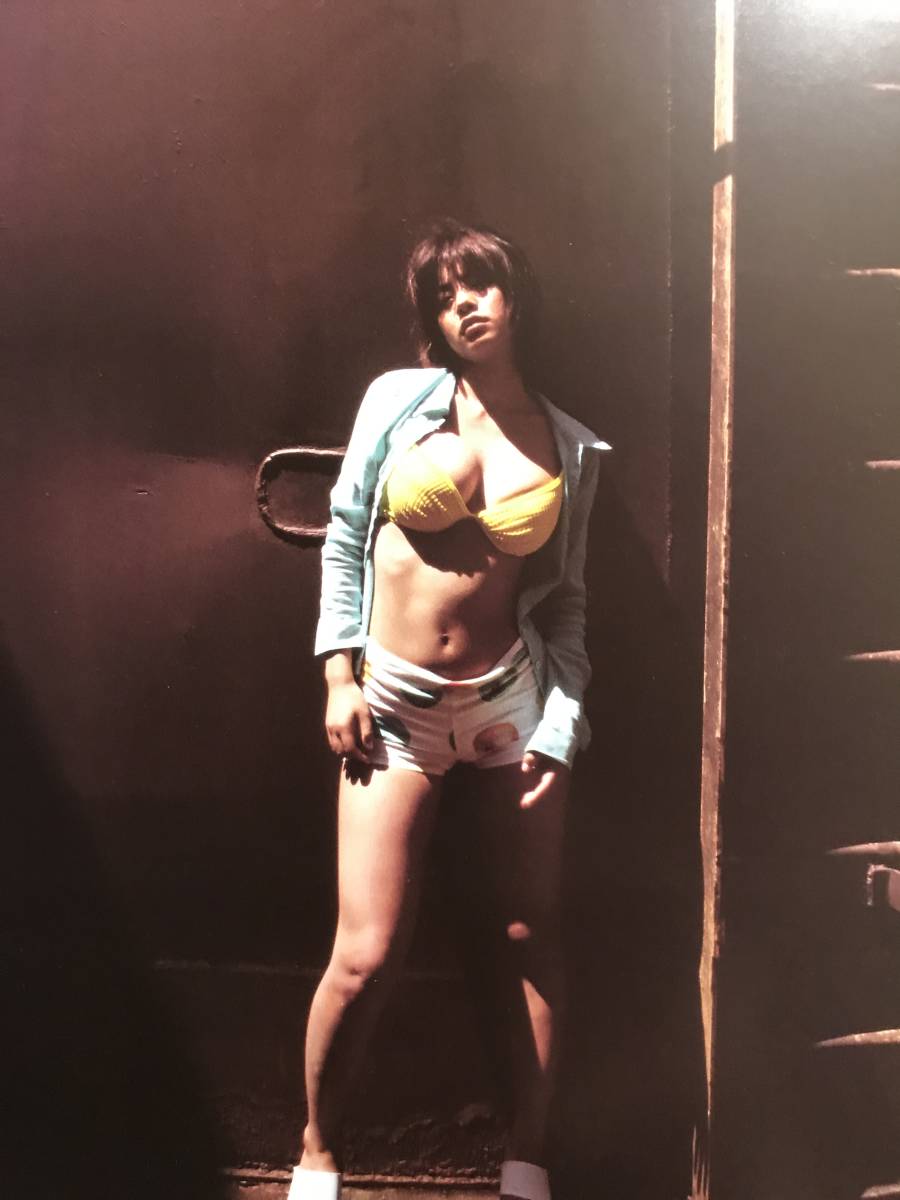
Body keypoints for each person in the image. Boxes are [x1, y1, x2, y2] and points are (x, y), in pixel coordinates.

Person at [288, 219, 608, 1200]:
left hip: (512, 705)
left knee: (528, 937)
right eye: (444, 295)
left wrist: (560, 723)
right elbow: (346, 535)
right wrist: (339, 675)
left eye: (480, 285)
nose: (465, 306)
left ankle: (527, 1156)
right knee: (365, 954)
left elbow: (564, 601)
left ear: (515, 297)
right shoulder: (399, 400)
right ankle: (316, 1153)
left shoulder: (571, 444)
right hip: (393, 711)